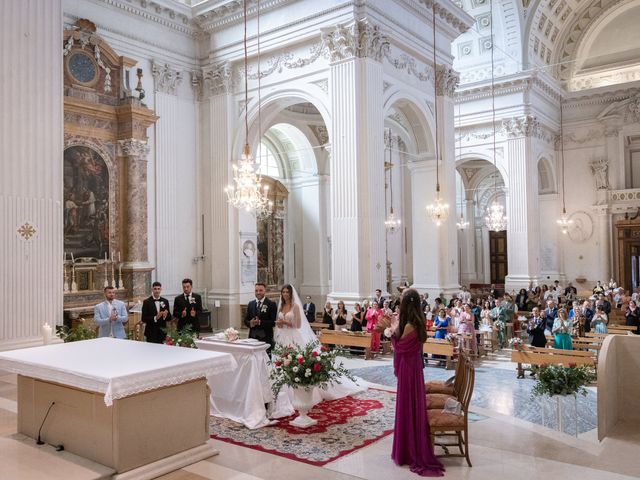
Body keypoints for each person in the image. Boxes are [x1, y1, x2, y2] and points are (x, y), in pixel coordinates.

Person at [377, 288, 445, 477]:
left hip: (409, 368)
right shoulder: (414, 322)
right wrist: (391, 326)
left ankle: (409, 451)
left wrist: (389, 333)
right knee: (409, 405)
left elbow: (400, 347)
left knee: (407, 406)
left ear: (407, 304)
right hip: (414, 368)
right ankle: (407, 448)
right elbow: (399, 336)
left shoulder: (410, 325)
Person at [243, 282, 277, 352]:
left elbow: (273, 322)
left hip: (266, 338)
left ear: (265, 291)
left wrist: (260, 322)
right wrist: (251, 323)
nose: (258, 292)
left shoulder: (271, 304)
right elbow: (246, 320)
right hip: (252, 338)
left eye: (260, 290)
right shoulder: (251, 304)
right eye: (256, 290)